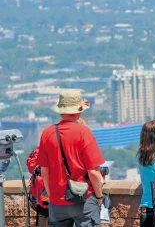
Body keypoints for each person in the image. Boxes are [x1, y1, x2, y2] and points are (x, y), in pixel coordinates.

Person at [37, 89, 105, 227]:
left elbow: (44, 171)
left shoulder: (47, 133)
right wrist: (99, 197)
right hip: (83, 200)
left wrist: (52, 196)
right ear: (79, 111)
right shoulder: (83, 132)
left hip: (57, 203)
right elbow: (93, 172)